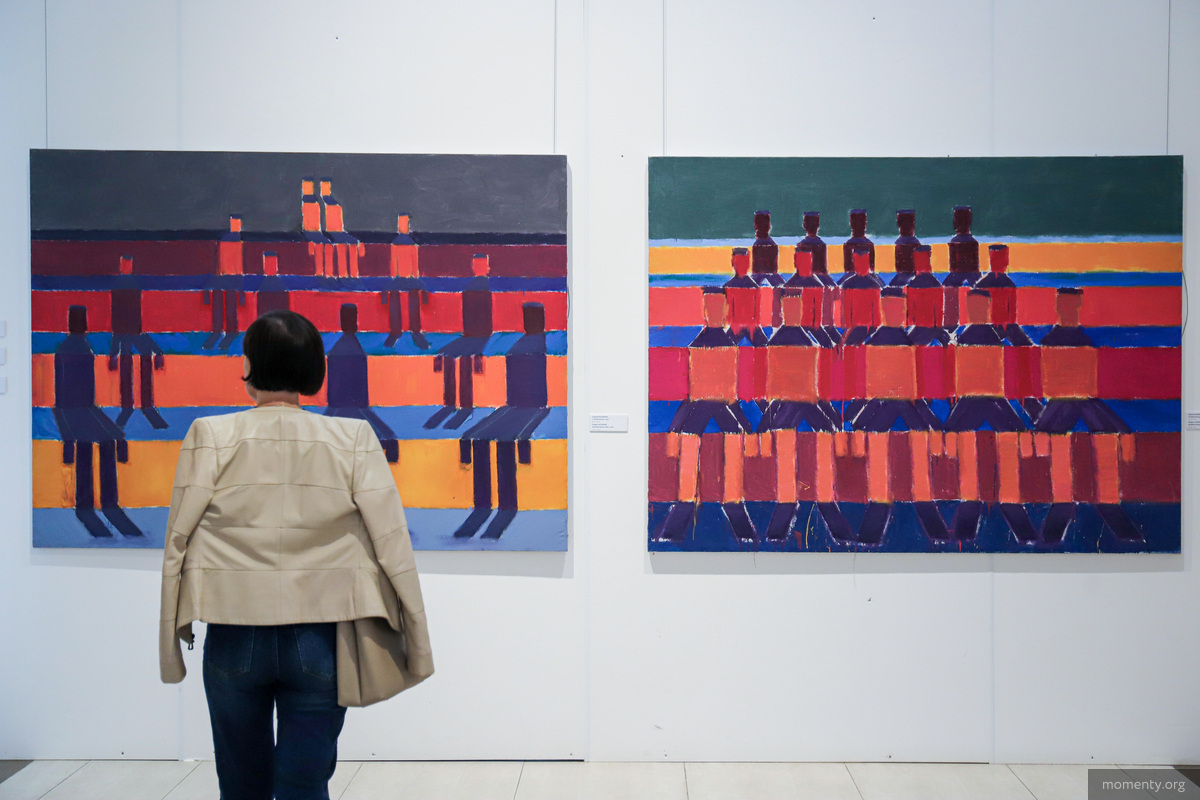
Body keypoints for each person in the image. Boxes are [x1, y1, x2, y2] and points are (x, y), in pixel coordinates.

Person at [158, 309, 433, 800]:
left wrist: (171, 637)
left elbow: (177, 539)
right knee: (305, 785)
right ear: (315, 370)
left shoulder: (210, 435)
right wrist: (414, 631)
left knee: (240, 785)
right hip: (320, 636)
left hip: (232, 630)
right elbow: (393, 541)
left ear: (248, 366)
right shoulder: (352, 439)